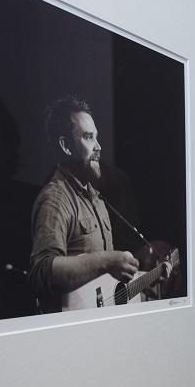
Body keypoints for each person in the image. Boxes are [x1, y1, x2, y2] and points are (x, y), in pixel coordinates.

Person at [29, 95, 139, 312]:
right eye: (89, 137)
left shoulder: (96, 198)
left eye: (97, 137)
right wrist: (106, 260)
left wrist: (144, 278)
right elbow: (40, 272)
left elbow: (106, 286)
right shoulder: (56, 199)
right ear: (66, 146)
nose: (98, 146)